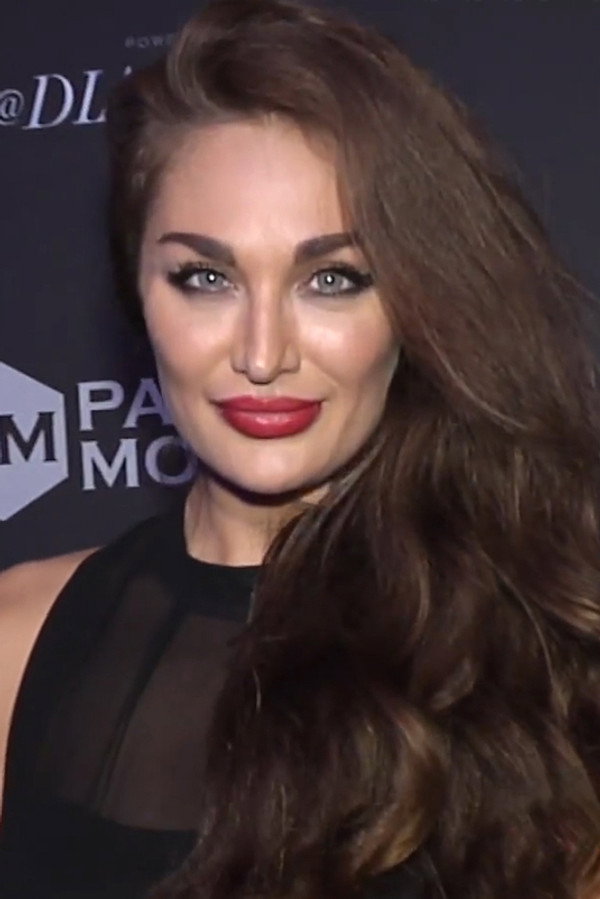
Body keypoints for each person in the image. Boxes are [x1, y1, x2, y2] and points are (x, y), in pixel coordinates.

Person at [1, 0, 600, 896]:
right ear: (137, 293)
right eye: (205, 277)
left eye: (332, 279)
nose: (262, 352)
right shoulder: (16, 639)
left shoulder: (545, 658)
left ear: (416, 304)